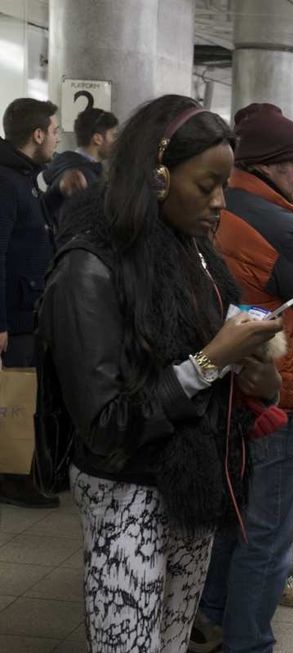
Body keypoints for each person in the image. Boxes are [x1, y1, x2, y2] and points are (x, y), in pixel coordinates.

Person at [37, 95, 283, 652]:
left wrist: (257, 378)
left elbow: (227, 370)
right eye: (206, 185)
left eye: (225, 185)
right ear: (157, 172)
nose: (220, 202)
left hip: (192, 486)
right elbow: (105, 422)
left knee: (173, 640)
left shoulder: (194, 254)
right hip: (125, 490)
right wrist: (211, 361)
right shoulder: (88, 267)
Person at [198, 102, 293, 651]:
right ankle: (250, 642)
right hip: (271, 391)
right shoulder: (268, 220)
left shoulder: (226, 207)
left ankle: (212, 619)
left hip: (231, 384)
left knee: (233, 519)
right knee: (268, 532)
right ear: (267, 165)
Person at [0, 98, 60, 508]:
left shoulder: (26, 177)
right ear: (37, 135)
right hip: (15, 314)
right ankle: (13, 478)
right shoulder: (6, 181)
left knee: (26, 394)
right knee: (16, 398)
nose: (57, 139)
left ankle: (23, 473)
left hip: (28, 307)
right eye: (54, 131)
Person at [43, 106, 118, 223]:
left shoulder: (70, 166)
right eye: (113, 136)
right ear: (97, 139)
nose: (116, 142)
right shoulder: (81, 176)